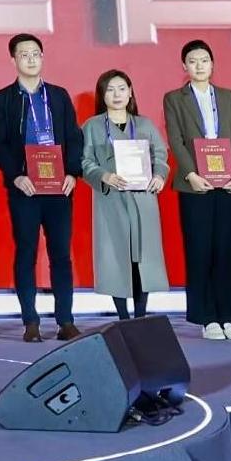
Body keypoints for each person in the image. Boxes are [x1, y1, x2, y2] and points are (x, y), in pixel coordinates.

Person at [0, 34, 82, 342]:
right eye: (24, 54)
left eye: (36, 53)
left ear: (43, 57)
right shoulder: (2, 99)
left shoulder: (58, 95)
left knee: (61, 255)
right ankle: (30, 321)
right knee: (26, 252)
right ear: (13, 60)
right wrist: (16, 176)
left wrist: (73, 173)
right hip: (25, 188)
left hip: (59, 188)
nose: (31, 59)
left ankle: (65, 321)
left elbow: (74, 137)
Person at [164, 40, 231, 339]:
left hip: (228, 183)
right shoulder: (174, 98)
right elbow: (176, 140)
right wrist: (190, 174)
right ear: (184, 66)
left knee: (228, 249)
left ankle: (230, 316)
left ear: (212, 64)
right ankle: (207, 318)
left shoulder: (228, 96)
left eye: (204, 60)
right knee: (200, 249)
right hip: (195, 186)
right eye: (193, 61)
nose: (199, 66)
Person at [79, 70, 169, 324]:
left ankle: (140, 318)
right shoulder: (92, 126)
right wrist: (103, 175)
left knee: (143, 258)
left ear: (130, 92)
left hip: (143, 199)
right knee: (116, 257)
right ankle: (123, 318)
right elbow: (83, 160)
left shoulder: (144, 125)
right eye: (110, 89)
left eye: (121, 88)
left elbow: (160, 155)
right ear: (102, 95)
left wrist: (159, 175)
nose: (116, 95)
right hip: (111, 200)